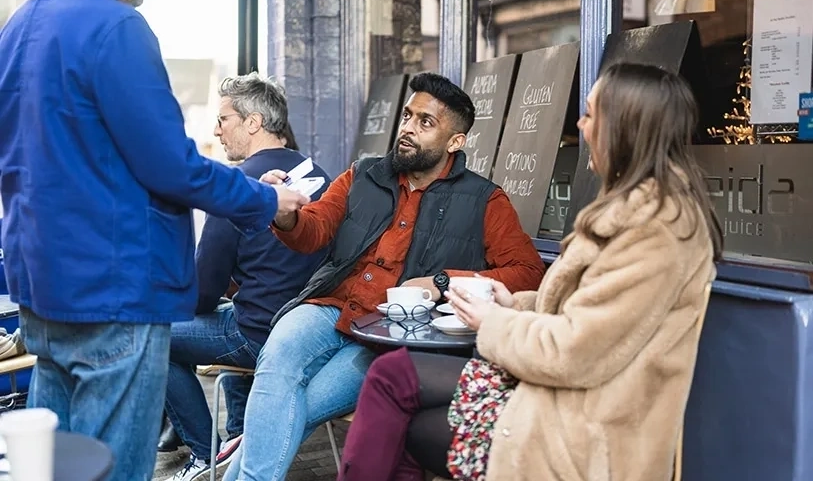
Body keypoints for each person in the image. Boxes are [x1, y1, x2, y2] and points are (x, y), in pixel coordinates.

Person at [338, 62, 724, 481]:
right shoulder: (638, 213)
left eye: (592, 113)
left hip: (582, 427)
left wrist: (495, 322)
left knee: (403, 419)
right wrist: (517, 303)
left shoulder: (655, 231)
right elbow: (593, 314)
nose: (579, 124)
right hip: (557, 392)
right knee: (393, 376)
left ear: (626, 129)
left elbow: (577, 352)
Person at [0, 0, 309, 481]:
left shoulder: (18, 27)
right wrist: (264, 198)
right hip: (114, 289)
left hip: (42, 287)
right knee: (114, 468)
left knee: (53, 467)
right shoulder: (116, 27)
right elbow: (172, 166)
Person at [223, 72, 546, 481]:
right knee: (277, 361)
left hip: (389, 334)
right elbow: (313, 230)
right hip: (328, 306)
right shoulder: (364, 174)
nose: (408, 128)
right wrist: (285, 215)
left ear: (455, 142)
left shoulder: (485, 200)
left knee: (291, 407)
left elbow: (528, 273)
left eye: (425, 122)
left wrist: (442, 282)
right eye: (408, 116)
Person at [163, 73, 332, 481]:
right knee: (231, 312)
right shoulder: (324, 176)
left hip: (258, 334)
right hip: (310, 334)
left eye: (223, 120)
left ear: (253, 122)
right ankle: (241, 433)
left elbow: (204, 291)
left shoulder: (236, 188)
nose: (216, 130)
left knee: (154, 334)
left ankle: (207, 454)